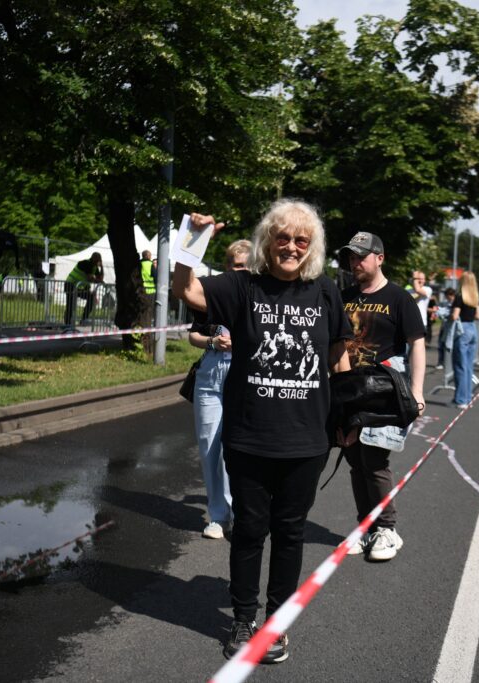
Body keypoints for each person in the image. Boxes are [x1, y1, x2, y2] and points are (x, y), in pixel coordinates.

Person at [172, 200, 352, 664]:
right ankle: (242, 619)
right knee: (250, 530)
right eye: (283, 237)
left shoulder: (326, 291)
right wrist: (191, 240)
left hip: (307, 440)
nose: (291, 247)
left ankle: (276, 623)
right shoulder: (242, 287)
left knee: (290, 534)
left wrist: (349, 418)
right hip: (249, 435)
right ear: (268, 240)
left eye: (301, 240)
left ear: (310, 247)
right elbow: (187, 290)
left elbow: (338, 359)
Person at [338, 231, 426, 562]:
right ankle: (366, 526)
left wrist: (416, 392)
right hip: (347, 391)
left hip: (382, 392)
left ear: (380, 258)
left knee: (375, 460)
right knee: (354, 461)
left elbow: (417, 343)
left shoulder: (399, 298)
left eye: (361, 256)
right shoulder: (344, 296)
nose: (355, 262)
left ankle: (387, 529)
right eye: (351, 256)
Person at [187, 240, 251, 540]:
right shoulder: (213, 296)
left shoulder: (256, 299)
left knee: (235, 447)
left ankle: (241, 510)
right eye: (234, 265)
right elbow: (193, 336)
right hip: (210, 373)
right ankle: (218, 515)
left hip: (243, 373)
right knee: (209, 445)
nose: (238, 271)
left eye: (244, 266)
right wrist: (213, 342)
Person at [451, 272, 479, 408]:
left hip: (462, 329)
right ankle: (467, 397)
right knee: (468, 367)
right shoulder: (475, 297)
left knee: (459, 366)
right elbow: (478, 316)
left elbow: (455, 316)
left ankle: (461, 399)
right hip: (473, 329)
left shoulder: (459, 296)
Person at [64, 252, 104, 327]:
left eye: (98, 260)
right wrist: (97, 280)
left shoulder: (95, 267)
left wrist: (102, 267)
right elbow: (90, 279)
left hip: (79, 287)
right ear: (93, 258)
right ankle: (67, 324)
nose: (97, 262)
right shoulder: (86, 263)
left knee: (91, 298)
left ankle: (83, 319)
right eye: (97, 260)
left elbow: (100, 279)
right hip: (70, 285)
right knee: (70, 305)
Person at [408, 271, 433, 345]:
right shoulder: (408, 291)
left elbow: (418, 290)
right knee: (406, 350)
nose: (419, 280)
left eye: (421, 279)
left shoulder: (427, 289)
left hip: (421, 322)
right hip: (408, 322)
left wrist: (415, 277)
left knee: (417, 348)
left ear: (425, 280)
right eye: (417, 278)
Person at [436, 287, 456, 369]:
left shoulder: (456, 303)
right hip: (444, 327)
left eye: (447, 296)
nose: (447, 298)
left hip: (452, 328)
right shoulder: (445, 303)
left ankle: (450, 363)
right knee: (441, 345)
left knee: (451, 346)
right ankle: (441, 362)